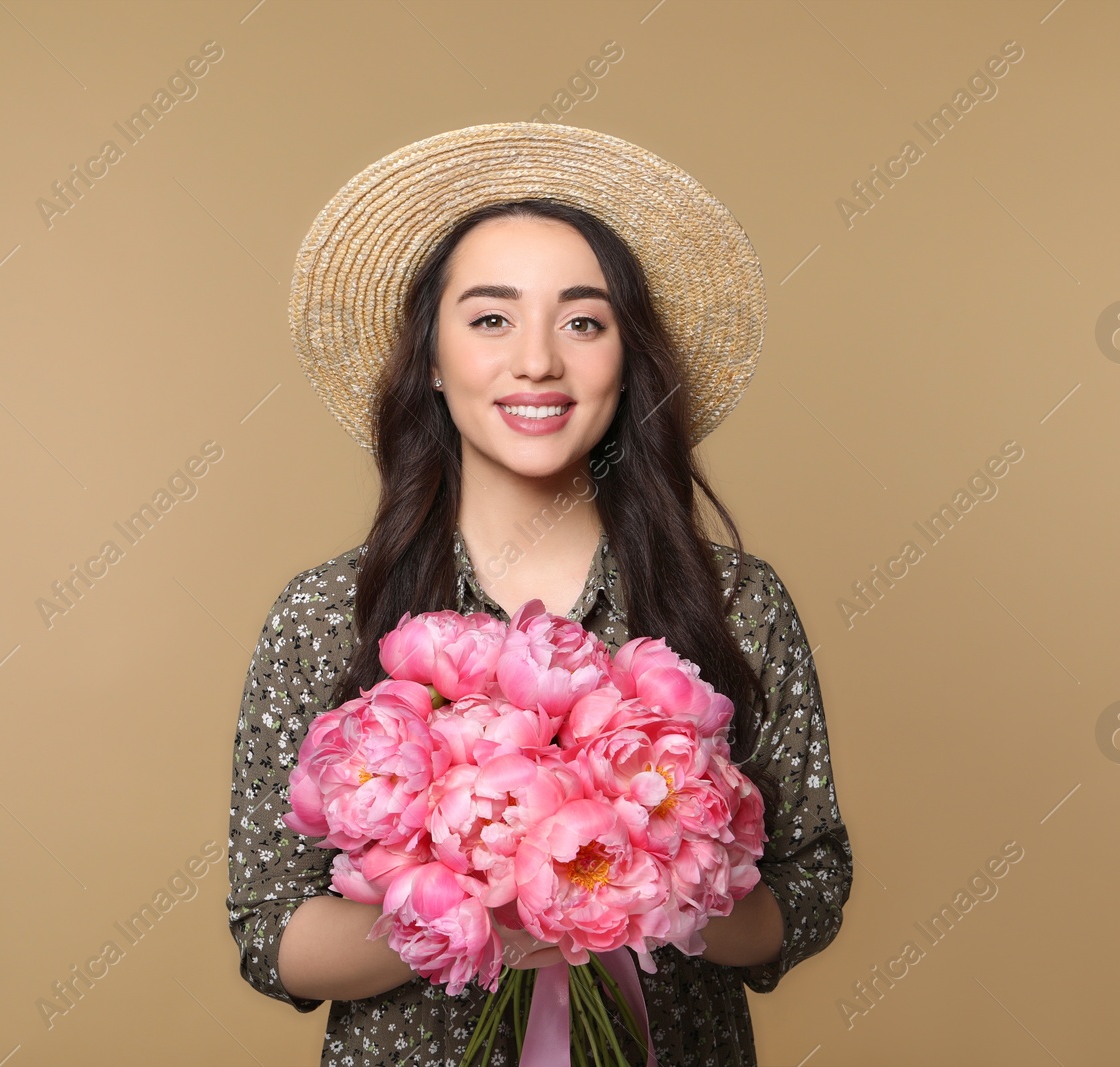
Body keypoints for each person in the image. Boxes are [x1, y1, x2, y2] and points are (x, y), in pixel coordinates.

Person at [227, 121, 853, 1066]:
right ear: (431, 362)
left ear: (625, 359)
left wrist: (651, 884)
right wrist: (485, 899)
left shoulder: (735, 601)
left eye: (583, 321)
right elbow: (270, 931)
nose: (537, 362)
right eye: (490, 318)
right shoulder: (327, 613)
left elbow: (808, 891)